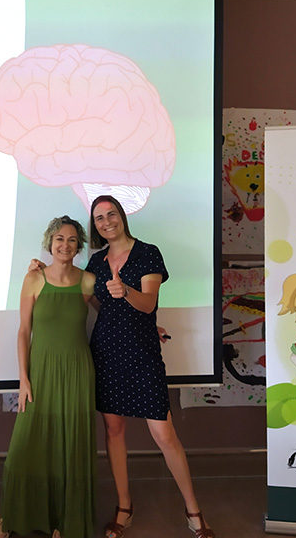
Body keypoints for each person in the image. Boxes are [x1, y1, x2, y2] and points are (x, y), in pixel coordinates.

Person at [82, 195, 214, 538]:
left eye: (111, 214)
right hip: (107, 352)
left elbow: (148, 302)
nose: (106, 221)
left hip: (142, 354)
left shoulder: (147, 253)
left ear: (122, 216)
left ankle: (193, 511)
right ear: (94, 226)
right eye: (99, 218)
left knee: (164, 434)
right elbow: (96, 301)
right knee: (113, 431)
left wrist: (125, 292)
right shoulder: (95, 261)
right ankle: (124, 507)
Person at [0, 216, 97, 538]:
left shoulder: (88, 281)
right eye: (59, 239)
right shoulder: (34, 278)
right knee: (25, 448)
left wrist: (150, 326)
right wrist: (23, 379)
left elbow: (115, 316)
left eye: (72, 239)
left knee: (69, 449)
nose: (65, 245)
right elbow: (24, 331)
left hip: (77, 371)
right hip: (40, 372)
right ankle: (13, 518)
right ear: (50, 243)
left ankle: (64, 522)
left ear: (79, 245)